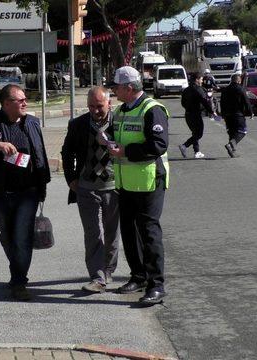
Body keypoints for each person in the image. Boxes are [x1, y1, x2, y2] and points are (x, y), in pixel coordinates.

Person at [0, 84, 51, 301]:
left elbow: (39, 153)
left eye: (25, 99)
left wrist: (42, 185)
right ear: (6, 103)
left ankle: (19, 281)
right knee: (6, 235)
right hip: (2, 192)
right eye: (20, 100)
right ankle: (17, 271)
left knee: (22, 237)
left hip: (28, 191)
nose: (25, 103)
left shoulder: (32, 122)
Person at [106, 66, 170, 305]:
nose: (113, 91)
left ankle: (157, 285)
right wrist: (109, 143)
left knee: (149, 233)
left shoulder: (152, 110)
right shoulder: (122, 110)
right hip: (126, 182)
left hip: (150, 181)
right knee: (129, 232)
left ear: (129, 88)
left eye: (116, 87)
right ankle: (138, 276)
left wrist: (125, 151)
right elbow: (116, 135)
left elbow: (158, 145)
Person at [61, 86, 120, 294]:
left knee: (112, 232)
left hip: (114, 187)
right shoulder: (78, 124)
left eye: (99, 106)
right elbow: (66, 152)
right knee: (92, 233)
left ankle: (109, 269)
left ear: (109, 104)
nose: (95, 110)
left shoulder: (119, 122)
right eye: (91, 106)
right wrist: (71, 179)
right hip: (86, 187)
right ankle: (97, 276)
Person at [179, 72, 215, 159]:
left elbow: (182, 103)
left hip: (188, 114)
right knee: (199, 134)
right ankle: (184, 145)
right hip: (195, 115)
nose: (202, 81)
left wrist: (188, 108)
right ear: (197, 79)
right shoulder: (198, 89)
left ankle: (197, 152)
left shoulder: (186, 90)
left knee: (195, 133)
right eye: (201, 79)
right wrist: (211, 111)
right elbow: (205, 101)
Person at [220, 74, 253, 158]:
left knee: (231, 133)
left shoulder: (225, 89)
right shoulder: (241, 89)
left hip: (228, 115)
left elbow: (222, 102)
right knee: (242, 131)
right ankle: (232, 144)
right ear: (239, 81)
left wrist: (223, 114)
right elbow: (246, 101)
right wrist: (250, 112)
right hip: (238, 115)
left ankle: (232, 152)